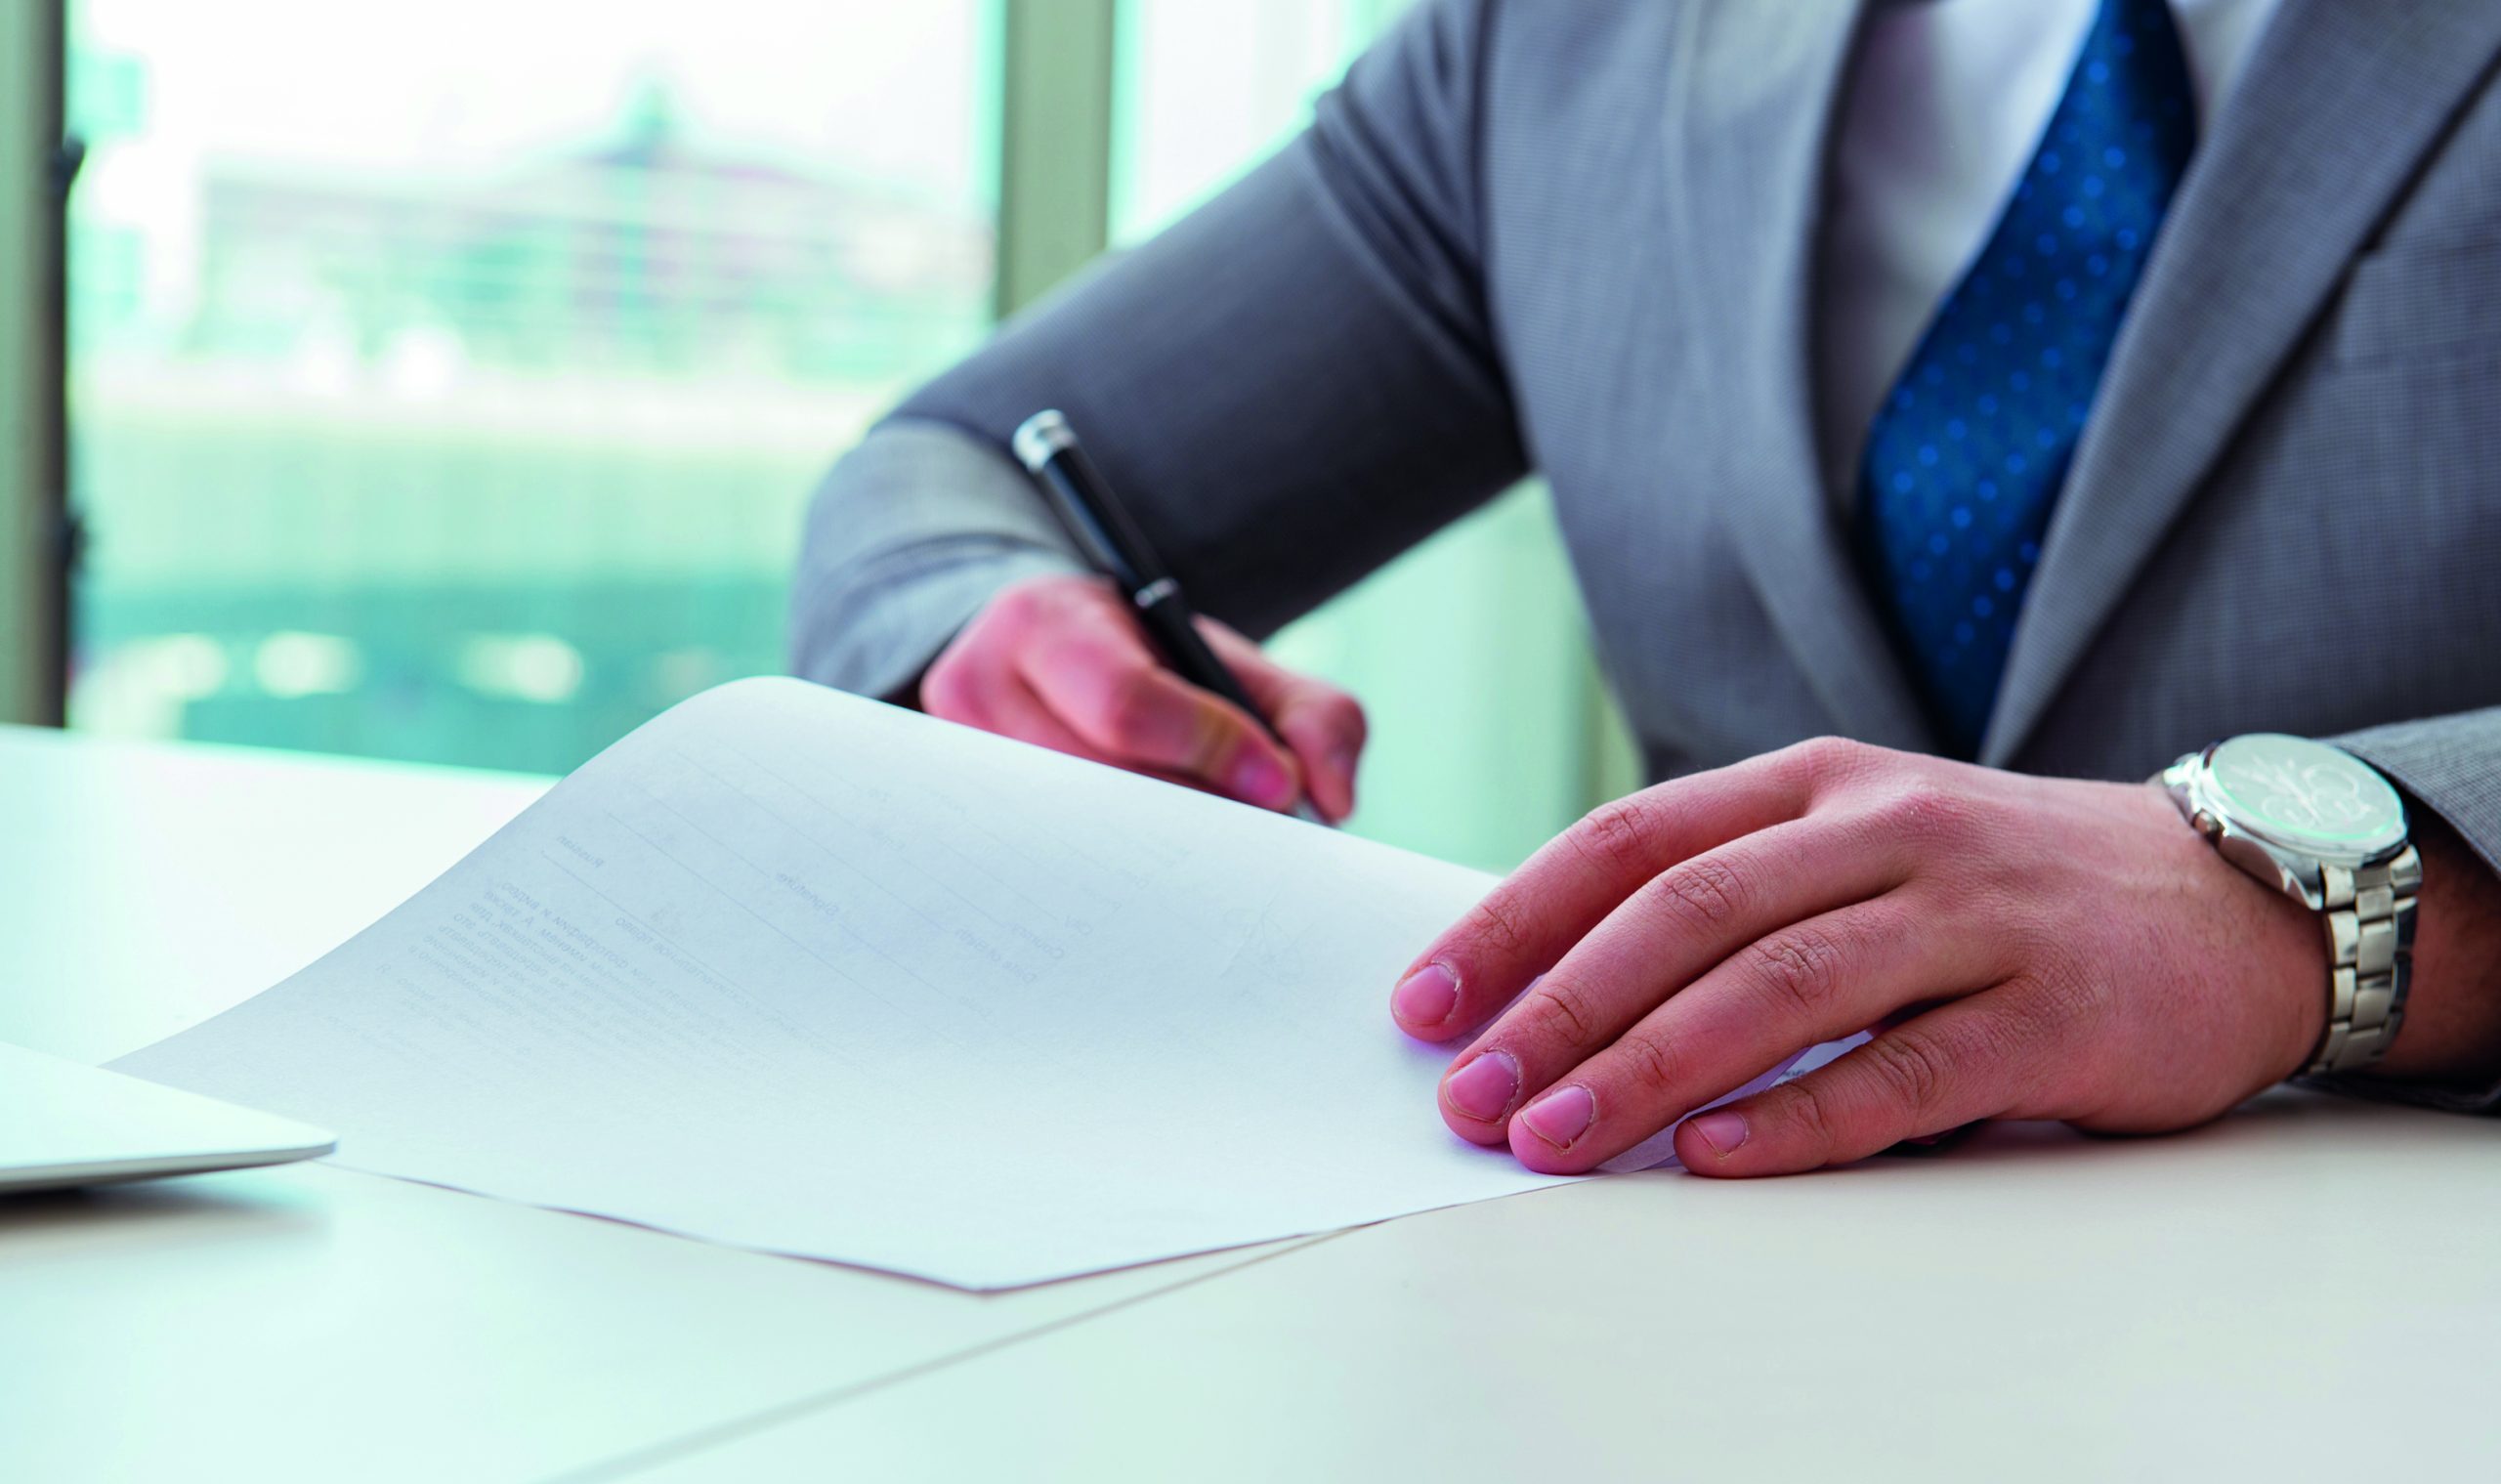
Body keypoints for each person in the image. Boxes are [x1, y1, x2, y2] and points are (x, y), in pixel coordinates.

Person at [793, 0, 2501, 1176]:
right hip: (1684, 1359)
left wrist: (2292, 909)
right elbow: (954, 472)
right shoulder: (1562, 46)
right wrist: (999, 641)